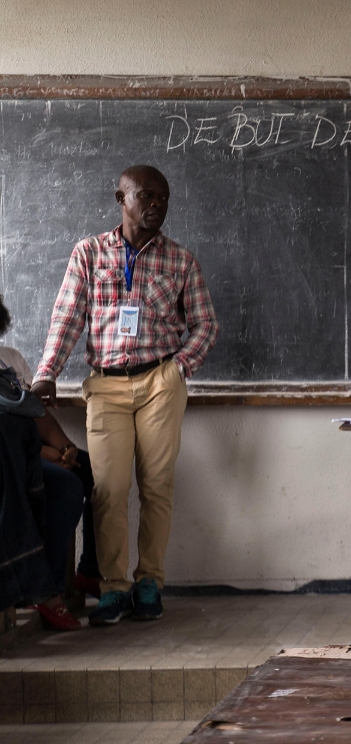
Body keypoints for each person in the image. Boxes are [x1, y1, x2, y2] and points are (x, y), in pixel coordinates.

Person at [31, 165, 218, 626]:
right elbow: (67, 317)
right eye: (147, 196)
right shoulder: (89, 253)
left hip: (159, 381)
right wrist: (47, 372)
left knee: (157, 487)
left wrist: (178, 368)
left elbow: (206, 325)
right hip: (106, 384)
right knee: (108, 489)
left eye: (165, 198)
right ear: (121, 198)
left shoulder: (181, 260)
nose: (157, 205)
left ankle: (149, 581)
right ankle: (113, 588)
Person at [0, 297, 90, 630]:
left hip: (26, 451)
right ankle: (41, 587)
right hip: (9, 460)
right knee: (64, 487)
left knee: (85, 472)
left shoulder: (9, 359)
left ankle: (84, 574)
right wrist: (41, 454)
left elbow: (34, 412)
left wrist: (64, 447)